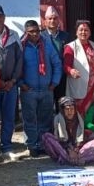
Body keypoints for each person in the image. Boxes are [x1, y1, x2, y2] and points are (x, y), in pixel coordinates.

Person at [0, 4, 26, 161]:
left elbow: (19, 59)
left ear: (4, 17)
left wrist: (13, 80)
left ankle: (7, 147)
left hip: (11, 85)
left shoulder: (13, 35)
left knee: (9, 118)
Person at [20, 20, 62, 156]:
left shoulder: (47, 44)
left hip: (46, 89)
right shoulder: (21, 47)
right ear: (26, 33)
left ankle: (44, 144)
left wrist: (54, 82)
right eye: (31, 32)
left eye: (37, 31)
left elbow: (57, 64)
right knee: (30, 119)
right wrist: (21, 83)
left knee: (45, 119)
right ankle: (32, 145)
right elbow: (16, 66)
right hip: (28, 90)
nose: (35, 34)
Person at [42, 97, 94, 165]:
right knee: (46, 137)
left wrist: (76, 149)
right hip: (62, 150)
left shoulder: (79, 120)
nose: (70, 111)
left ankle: (80, 159)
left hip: (78, 151)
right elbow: (58, 140)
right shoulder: (57, 120)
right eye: (67, 109)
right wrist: (69, 150)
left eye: (72, 109)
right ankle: (68, 159)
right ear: (62, 110)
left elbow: (81, 140)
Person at [64, 20, 94, 116]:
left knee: (91, 113)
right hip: (79, 85)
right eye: (81, 30)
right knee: (78, 113)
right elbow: (65, 65)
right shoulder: (70, 47)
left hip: (93, 86)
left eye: (86, 30)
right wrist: (71, 71)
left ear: (90, 32)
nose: (83, 32)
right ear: (76, 32)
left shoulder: (93, 45)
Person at [41, 5, 70, 104]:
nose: (52, 21)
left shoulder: (65, 36)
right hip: (46, 76)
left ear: (58, 21)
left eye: (55, 18)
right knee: (47, 105)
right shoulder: (40, 37)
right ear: (45, 21)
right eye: (50, 19)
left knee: (61, 103)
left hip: (62, 76)